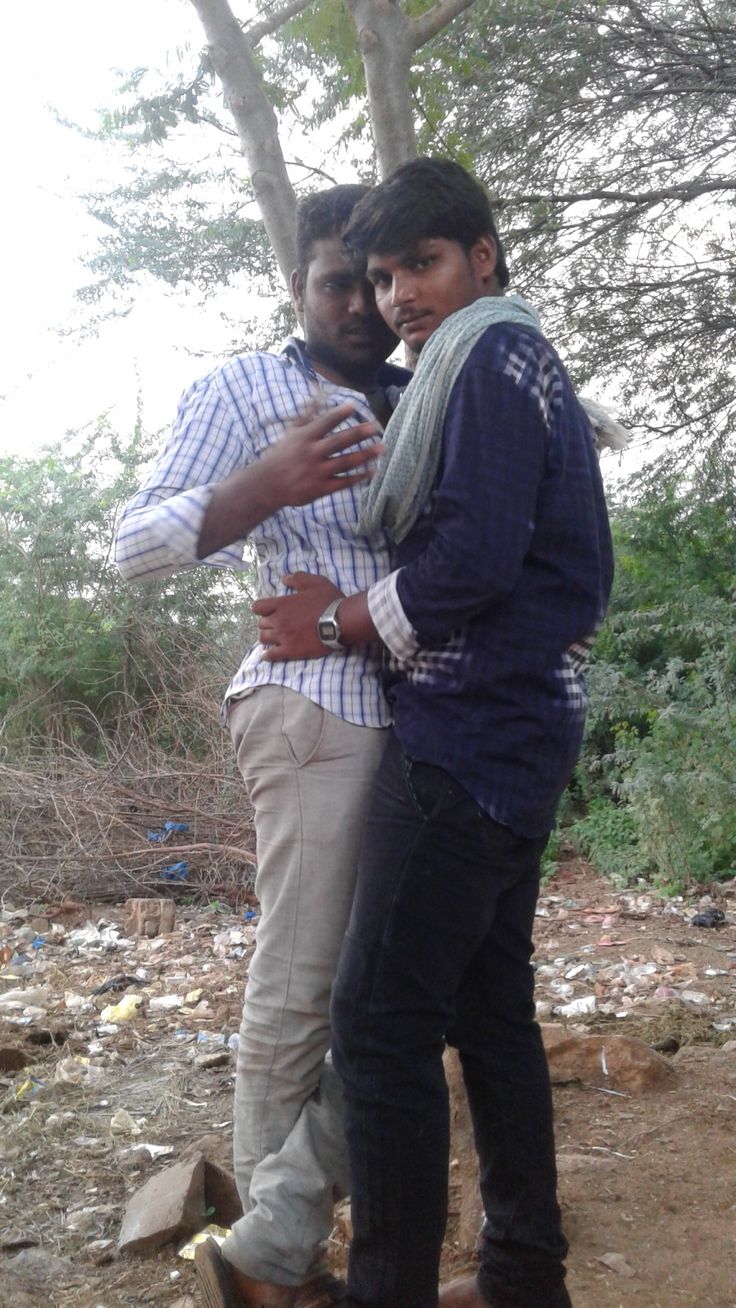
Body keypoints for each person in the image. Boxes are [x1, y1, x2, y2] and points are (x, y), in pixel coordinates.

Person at [253, 157, 615, 1308]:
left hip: (463, 737)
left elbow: (471, 555)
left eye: (423, 263)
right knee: (486, 1007)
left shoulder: (493, 358)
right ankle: (520, 1270)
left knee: (377, 1023)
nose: (400, 294)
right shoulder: (474, 368)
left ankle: (387, 1290)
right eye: (380, 274)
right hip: (518, 736)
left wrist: (339, 620)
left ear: (482, 258)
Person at [114, 184, 412, 1308]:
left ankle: (290, 1236)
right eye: (337, 280)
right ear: (296, 284)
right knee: (302, 987)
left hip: (419, 713)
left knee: (398, 986)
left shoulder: (421, 383)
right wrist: (262, 485)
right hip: (314, 707)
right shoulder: (246, 387)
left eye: (375, 282)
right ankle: (273, 1261)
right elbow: (136, 544)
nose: (360, 305)